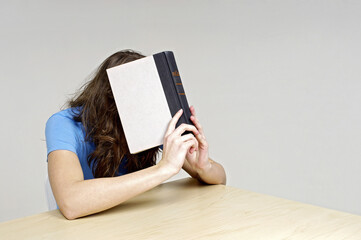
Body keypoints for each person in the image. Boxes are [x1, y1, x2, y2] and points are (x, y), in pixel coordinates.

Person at [45, 50, 226, 220]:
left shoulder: (147, 118)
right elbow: (70, 203)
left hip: (137, 219)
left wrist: (204, 168)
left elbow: (220, 179)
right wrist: (163, 169)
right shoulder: (63, 123)